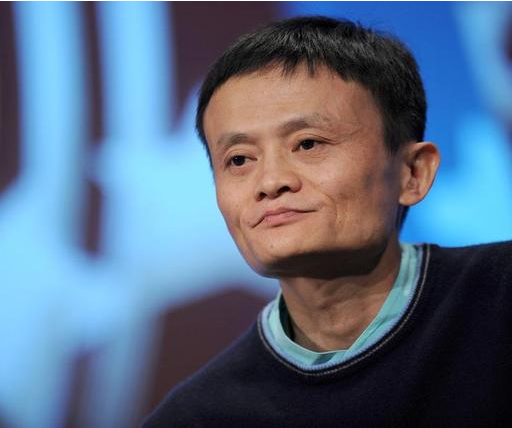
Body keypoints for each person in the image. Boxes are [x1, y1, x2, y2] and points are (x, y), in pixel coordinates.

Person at [144, 16, 512, 426]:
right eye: (239, 160)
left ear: (412, 172)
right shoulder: (196, 418)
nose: (270, 182)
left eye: (308, 144)